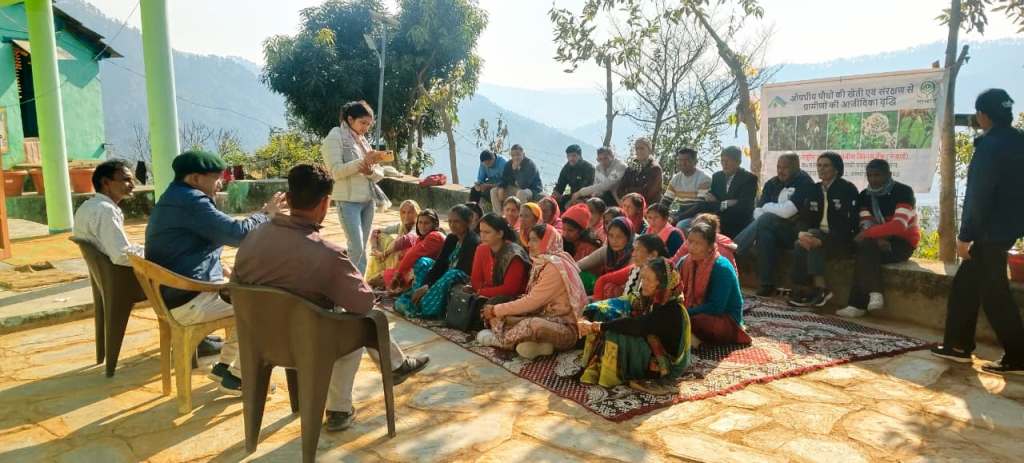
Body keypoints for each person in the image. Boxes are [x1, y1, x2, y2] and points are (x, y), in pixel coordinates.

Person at [233, 164, 429, 432]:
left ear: (288, 198)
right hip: (308, 347)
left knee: (338, 316)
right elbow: (363, 303)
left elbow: (235, 284)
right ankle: (342, 406)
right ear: (326, 203)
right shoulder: (328, 254)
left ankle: (394, 367)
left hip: (259, 340)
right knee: (362, 322)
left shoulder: (253, 237)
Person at [145, 150, 286, 395]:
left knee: (246, 292)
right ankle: (239, 377)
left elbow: (199, 240)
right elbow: (237, 234)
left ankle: (223, 368)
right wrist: (265, 214)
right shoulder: (192, 201)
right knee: (268, 305)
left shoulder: (174, 196)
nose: (221, 183)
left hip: (174, 294)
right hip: (189, 301)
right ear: (195, 178)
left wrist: (219, 268)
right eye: (216, 177)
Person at [932, 89, 1024, 375]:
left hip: (988, 231)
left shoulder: (990, 146)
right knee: (966, 286)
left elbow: (978, 195)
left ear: (983, 115)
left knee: (994, 294)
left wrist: (965, 236)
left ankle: (1018, 356)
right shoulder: (1018, 141)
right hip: (1008, 228)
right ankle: (958, 345)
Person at [577, 257, 692, 389]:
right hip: (648, 341)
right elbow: (615, 303)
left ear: (662, 284)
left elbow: (637, 325)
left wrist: (598, 326)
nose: (643, 283)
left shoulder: (672, 309)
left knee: (614, 333)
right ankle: (598, 365)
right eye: (643, 278)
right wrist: (586, 317)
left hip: (664, 362)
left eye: (648, 280)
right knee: (604, 314)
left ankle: (612, 375)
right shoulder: (646, 298)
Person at [478, 224, 588, 359]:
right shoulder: (541, 262)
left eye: (534, 240)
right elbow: (531, 300)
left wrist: (496, 310)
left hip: (566, 329)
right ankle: (539, 346)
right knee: (503, 313)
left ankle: (500, 341)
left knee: (533, 324)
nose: (529, 244)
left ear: (548, 241)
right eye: (529, 240)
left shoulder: (555, 267)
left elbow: (532, 301)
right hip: (544, 316)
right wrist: (499, 311)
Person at [835, 159, 920, 318]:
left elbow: (899, 226)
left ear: (889, 174)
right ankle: (875, 293)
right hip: (875, 242)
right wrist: (874, 237)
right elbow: (866, 223)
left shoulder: (903, 191)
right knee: (865, 249)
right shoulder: (865, 196)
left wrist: (869, 235)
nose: (873, 179)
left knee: (864, 250)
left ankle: (857, 305)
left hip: (902, 243)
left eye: (877, 175)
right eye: (869, 175)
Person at [734, 152, 815, 297]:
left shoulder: (804, 182)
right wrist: (771, 211)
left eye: (785, 168)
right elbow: (757, 211)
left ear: (796, 167)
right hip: (774, 229)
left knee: (766, 219)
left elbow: (787, 211)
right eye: (778, 167)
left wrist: (768, 208)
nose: (780, 171)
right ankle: (767, 284)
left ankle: (734, 249)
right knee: (764, 234)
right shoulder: (772, 183)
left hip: (796, 232)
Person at [322, 100, 390, 274]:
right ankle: (347, 283)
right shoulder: (335, 137)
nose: (366, 128)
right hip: (348, 201)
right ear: (350, 119)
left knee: (361, 248)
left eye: (368, 124)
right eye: (363, 123)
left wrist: (369, 171)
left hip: (368, 200)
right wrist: (362, 162)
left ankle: (359, 284)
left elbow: (379, 173)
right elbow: (335, 171)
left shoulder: (362, 141)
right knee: (356, 247)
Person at [788, 152, 859, 308]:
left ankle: (819, 289)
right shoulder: (813, 189)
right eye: (819, 165)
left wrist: (822, 241)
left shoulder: (847, 189)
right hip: (817, 234)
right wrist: (801, 233)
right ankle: (806, 288)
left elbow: (849, 225)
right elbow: (804, 218)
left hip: (840, 240)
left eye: (826, 166)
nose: (821, 169)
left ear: (836, 169)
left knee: (813, 240)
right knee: (801, 243)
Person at [396, 205, 480, 318]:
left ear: (468, 222)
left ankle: (425, 306)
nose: (452, 225)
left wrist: (429, 286)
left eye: (456, 221)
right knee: (423, 262)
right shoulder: (452, 238)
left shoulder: (472, 241)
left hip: (461, 278)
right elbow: (440, 264)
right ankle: (416, 295)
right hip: (446, 274)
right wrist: (426, 284)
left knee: (452, 274)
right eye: (450, 221)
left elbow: (461, 269)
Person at [679, 222, 751, 346]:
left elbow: (716, 307)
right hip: (693, 310)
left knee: (696, 321)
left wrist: (685, 313)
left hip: (723, 318)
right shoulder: (686, 262)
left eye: (698, 244)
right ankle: (689, 336)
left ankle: (691, 338)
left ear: (710, 247)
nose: (691, 247)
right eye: (690, 242)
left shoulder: (721, 267)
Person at [73, 159, 145, 267]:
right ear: (106, 182)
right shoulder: (106, 210)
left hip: (104, 272)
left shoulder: (87, 206)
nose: (132, 185)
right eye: (126, 180)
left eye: (132, 180)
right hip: (122, 273)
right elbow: (121, 256)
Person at [674, 146, 757, 237]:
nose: (724, 164)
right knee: (684, 224)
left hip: (736, 223)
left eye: (727, 161)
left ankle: (677, 218)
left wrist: (717, 204)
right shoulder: (717, 176)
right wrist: (725, 204)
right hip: (715, 219)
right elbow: (708, 203)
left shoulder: (749, 179)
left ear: (738, 162)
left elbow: (743, 207)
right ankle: (676, 218)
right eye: (722, 161)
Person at [589, 234, 669, 303]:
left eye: (638, 250)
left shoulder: (665, 279)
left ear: (653, 255)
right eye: (634, 250)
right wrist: (597, 305)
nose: (633, 254)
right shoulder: (635, 269)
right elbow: (603, 280)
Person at [381, 209, 445, 292]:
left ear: (435, 224)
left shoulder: (434, 236)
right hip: (426, 274)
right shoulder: (422, 238)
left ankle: (410, 292)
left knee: (420, 261)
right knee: (385, 275)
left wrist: (397, 275)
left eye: (426, 223)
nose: (422, 226)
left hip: (436, 275)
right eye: (420, 222)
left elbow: (413, 254)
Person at [470, 213, 531, 299]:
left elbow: (510, 289)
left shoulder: (514, 254)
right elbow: (475, 281)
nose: (482, 235)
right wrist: (481, 292)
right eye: (481, 231)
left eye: (487, 232)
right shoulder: (481, 249)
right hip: (486, 295)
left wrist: (481, 292)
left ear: (500, 234)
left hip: (514, 299)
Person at [365, 200, 421, 285]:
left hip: (411, 262)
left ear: (416, 214)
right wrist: (374, 249)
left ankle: (390, 274)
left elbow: (407, 240)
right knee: (381, 236)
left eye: (410, 212)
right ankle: (381, 271)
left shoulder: (418, 226)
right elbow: (376, 231)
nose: (406, 216)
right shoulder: (401, 226)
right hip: (396, 259)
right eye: (403, 212)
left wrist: (384, 254)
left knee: (398, 245)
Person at [661, 147, 711, 228]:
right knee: (657, 221)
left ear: (695, 162)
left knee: (681, 225)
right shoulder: (676, 178)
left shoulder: (704, 179)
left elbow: (699, 206)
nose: (682, 163)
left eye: (686, 160)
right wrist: (660, 213)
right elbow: (666, 200)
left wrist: (678, 218)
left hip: (697, 216)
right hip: (678, 213)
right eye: (680, 160)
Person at [672, 213, 738, 272]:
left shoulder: (722, 254)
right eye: (695, 229)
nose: (692, 247)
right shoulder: (690, 242)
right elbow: (675, 261)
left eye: (700, 231)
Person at [577, 217, 635, 284]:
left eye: (619, 236)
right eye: (611, 236)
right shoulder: (607, 250)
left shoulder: (635, 255)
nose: (614, 241)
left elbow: (629, 282)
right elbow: (581, 264)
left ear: (629, 238)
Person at [616, 138, 664, 205]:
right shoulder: (631, 168)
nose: (639, 151)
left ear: (649, 150)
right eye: (637, 149)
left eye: (642, 148)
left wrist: (628, 190)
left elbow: (647, 194)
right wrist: (637, 190)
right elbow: (619, 191)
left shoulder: (655, 169)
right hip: (630, 206)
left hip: (649, 208)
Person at [551, 144, 595, 210]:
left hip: (586, 198)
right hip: (572, 195)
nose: (571, 158)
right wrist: (555, 194)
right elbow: (560, 185)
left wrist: (572, 201)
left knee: (570, 206)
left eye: (574, 156)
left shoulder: (589, 168)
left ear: (580, 156)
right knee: (552, 203)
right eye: (568, 156)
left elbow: (585, 190)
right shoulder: (567, 167)